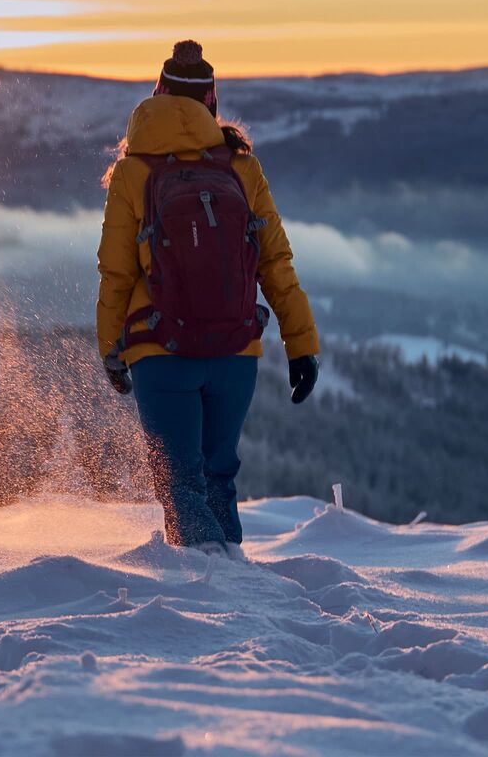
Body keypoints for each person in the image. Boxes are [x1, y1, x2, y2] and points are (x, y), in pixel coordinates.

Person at [95, 40, 320, 557]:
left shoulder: (134, 172)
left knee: (180, 485)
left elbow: (116, 273)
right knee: (219, 477)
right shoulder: (242, 168)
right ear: (211, 101)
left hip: (159, 349)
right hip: (234, 350)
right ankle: (234, 597)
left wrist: (112, 346)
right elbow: (275, 265)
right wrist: (301, 344)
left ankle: (208, 603)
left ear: (158, 95)